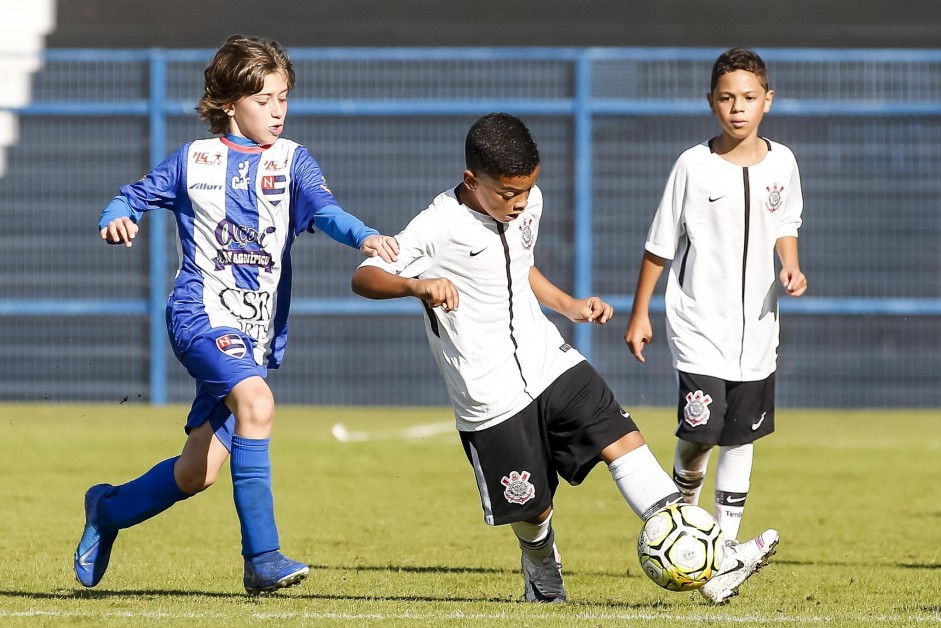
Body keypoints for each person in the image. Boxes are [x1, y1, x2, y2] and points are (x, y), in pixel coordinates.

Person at [351, 112, 770, 604]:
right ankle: (541, 571)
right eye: (508, 193)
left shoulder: (529, 203)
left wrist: (568, 305)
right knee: (533, 510)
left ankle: (715, 564)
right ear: (471, 180)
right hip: (489, 391)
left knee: (623, 441)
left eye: (528, 189)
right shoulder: (437, 225)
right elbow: (365, 276)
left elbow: (520, 267)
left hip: (548, 358)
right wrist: (415, 285)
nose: (521, 202)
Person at [75, 34, 399, 594]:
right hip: (199, 313)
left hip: (254, 333)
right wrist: (116, 218)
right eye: (265, 99)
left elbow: (327, 213)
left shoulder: (293, 160)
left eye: (284, 98)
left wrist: (365, 235)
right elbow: (130, 196)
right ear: (228, 104)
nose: (278, 110)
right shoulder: (193, 161)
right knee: (257, 401)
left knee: (195, 473)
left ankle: (106, 510)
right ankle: (262, 558)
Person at [624, 47, 804, 601]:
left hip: (759, 330)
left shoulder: (783, 163)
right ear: (711, 102)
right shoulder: (692, 165)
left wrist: (791, 265)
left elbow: (786, 222)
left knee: (742, 438)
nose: (737, 107)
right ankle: (686, 523)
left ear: (767, 102)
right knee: (700, 437)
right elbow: (660, 244)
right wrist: (640, 315)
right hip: (699, 326)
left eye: (749, 98)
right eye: (726, 98)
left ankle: (722, 553)